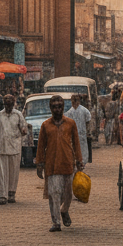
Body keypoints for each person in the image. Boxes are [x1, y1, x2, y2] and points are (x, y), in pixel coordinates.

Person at [36, 95, 84, 232]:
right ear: (50, 108)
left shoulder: (70, 123)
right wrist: (39, 164)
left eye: (60, 106)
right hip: (51, 165)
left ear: (63, 107)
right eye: (55, 106)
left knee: (68, 194)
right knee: (54, 193)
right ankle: (56, 222)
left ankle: (64, 210)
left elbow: (76, 143)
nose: (57, 109)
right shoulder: (45, 125)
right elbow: (41, 146)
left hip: (68, 163)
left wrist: (79, 160)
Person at [0, 94, 28, 204]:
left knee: (13, 172)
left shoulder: (18, 115)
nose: (8, 106)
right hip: (2, 147)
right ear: (4, 104)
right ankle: (2, 196)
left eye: (10, 103)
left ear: (13, 103)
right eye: (6, 104)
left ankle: (11, 194)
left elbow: (24, 129)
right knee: (1, 173)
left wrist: (23, 129)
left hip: (15, 148)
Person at [67, 92, 92, 165]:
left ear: (79, 101)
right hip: (72, 134)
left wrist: (88, 131)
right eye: (73, 100)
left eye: (76, 100)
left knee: (83, 148)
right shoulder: (69, 112)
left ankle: (82, 162)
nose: (75, 102)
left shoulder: (84, 110)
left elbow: (88, 121)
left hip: (82, 133)